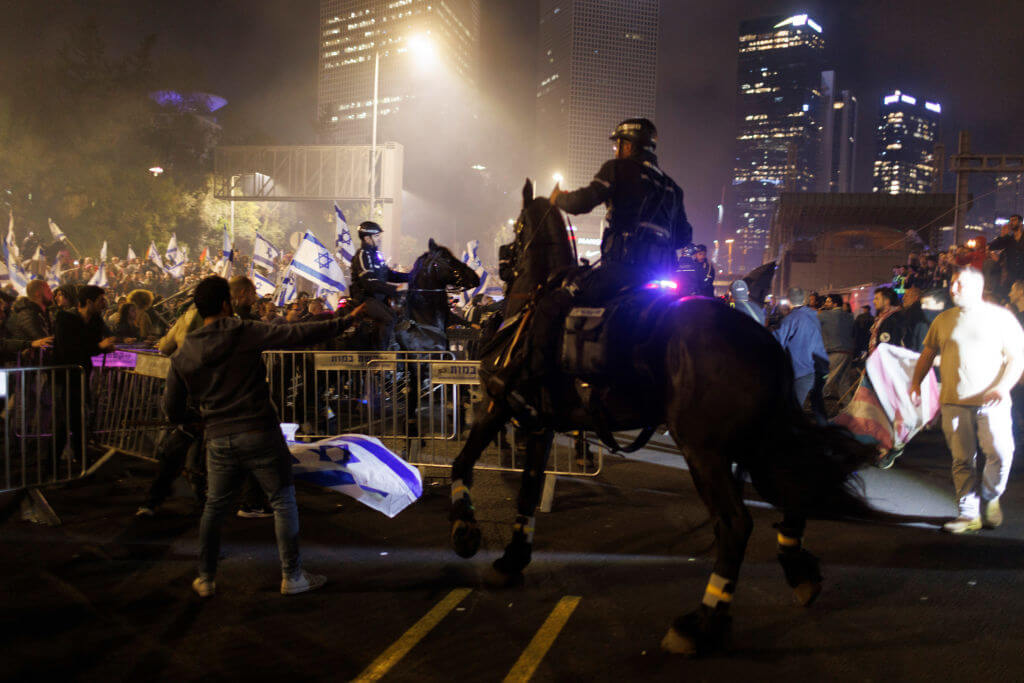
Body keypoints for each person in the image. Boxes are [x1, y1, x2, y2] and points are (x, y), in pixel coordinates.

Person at [164, 276, 365, 597]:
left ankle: (205, 577)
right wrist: (345, 322)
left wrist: (197, 419)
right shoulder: (242, 331)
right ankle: (292, 575)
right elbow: (295, 333)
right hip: (259, 430)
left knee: (215, 507)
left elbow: (172, 408)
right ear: (227, 304)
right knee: (283, 501)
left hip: (218, 437)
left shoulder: (185, 351)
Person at [910, 268, 1024, 534]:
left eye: (960, 284)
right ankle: (968, 514)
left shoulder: (1001, 318)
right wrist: (916, 381)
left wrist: (1002, 386)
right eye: (952, 283)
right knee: (962, 459)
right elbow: (928, 353)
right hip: (954, 401)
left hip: (992, 402)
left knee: (1000, 452)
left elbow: (1017, 359)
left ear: (977, 287)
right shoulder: (943, 320)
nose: (953, 288)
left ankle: (991, 495)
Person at [53, 285, 117, 463]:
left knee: (78, 418)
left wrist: (105, 348)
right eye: (100, 300)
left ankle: (79, 460)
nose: (104, 304)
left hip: (82, 375)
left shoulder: (96, 319)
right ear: (88, 302)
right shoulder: (65, 319)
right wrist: (99, 347)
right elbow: (70, 351)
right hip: (64, 376)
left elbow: (97, 344)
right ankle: (53, 463)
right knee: (66, 420)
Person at [349, 221, 409, 349]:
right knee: (389, 318)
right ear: (366, 238)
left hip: (380, 298)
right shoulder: (362, 255)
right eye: (376, 236)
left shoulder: (376, 255)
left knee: (405, 313)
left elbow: (390, 275)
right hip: (365, 299)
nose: (380, 239)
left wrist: (413, 277)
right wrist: (397, 289)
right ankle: (380, 357)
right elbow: (370, 283)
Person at [773, 287, 828, 422]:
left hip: (802, 369)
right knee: (817, 403)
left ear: (789, 301)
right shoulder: (814, 315)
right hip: (821, 366)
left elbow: (776, 342)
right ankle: (826, 431)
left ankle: (794, 438)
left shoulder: (790, 319)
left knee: (793, 409)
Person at [818, 293, 855, 404]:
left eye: (828, 301)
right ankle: (849, 409)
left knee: (823, 379)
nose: (825, 303)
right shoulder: (849, 316)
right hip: (848, 352)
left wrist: (819, 312)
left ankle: (816, 405)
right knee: (843, 383)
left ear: (835, 304)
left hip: (835, 352)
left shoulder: (824, 315)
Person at [7, 279, 54, 363]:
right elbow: (43, 340)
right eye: (48, 290)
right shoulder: (28, 314)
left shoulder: (42, 312)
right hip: (28, 368)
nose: (52, 293)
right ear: (37, 294)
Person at [868, 287, 904, 353]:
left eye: (877, 299)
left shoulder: (893, 319)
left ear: (887, 301)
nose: (874, 301)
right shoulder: (881, 318)